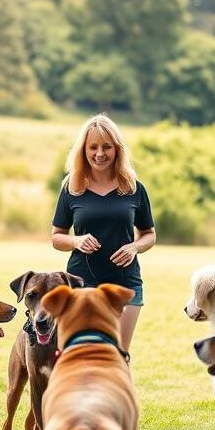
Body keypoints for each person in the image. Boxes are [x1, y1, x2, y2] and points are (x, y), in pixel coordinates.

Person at [52, 114, 156, 354]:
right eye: (93, 147)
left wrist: (134, 247)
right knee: (81, 353)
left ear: (117, 149)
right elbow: (57, 237)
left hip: (125, 282)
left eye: (107, 147)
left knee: (118, 354)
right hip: (81, 283)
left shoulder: (133, 188)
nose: (100, 153)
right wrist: (76, 240)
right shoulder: (72, 187)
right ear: (84, 150)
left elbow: (149, 234)